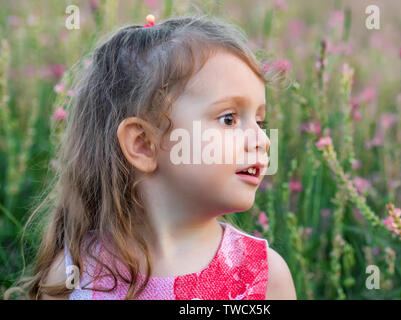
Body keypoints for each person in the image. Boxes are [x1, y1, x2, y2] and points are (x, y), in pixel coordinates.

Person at [7, 14, 296, 300]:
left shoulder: (264, 278)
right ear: (144, 144)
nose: (262, 140)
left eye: (260, 122)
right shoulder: (74, 278)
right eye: (229, 119)